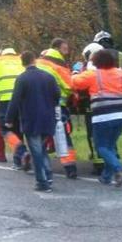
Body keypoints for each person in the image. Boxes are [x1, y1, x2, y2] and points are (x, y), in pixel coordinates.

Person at [72, 49, 122, 186]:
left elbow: (76, 83)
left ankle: (120, 168)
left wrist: (76, 71)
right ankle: (106, 177)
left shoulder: (93, 74)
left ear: (95, 63)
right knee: (110, 146)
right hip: (121, 116)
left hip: (102, 117)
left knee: (101, 147)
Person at [6, 51, 61, 192]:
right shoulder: (49, 77)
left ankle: (42, 182)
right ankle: (48, 175)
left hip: (31, 119)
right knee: (41, 149)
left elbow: (15, 100)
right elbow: (57, 96)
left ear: (23, 63)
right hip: (48, 119)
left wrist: (9, 119)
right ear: (34, 60)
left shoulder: (22, 79)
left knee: (36, 152)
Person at [36, 38, 78, 178]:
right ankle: (70, 167)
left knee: (40, 134)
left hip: (37, 105)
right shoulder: (58, 65)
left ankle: (37, 162)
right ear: (58, 48)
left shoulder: (39, 61)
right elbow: (70, 85)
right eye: (65, 48)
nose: (67, 51)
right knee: (62, 135)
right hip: (57, 105)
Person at [0, 48, 29, 169]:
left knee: (5, 129)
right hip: (23, 100)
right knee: (19, 130)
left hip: (5, 100)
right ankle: (19, 162)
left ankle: (21, 151)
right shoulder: (21, 59)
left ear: (1, 54)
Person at [77, 42, 107, 175]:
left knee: (93, 135)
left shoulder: (90, 68)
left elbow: (81, 86)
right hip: (109, 105)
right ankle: (110, 159)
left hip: (92, 105)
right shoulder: (110, 67)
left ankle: (99, 163)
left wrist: (75, 74)